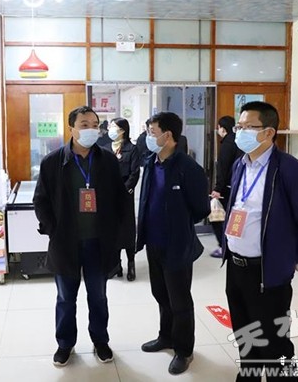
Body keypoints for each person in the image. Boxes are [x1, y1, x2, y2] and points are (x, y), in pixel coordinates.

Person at [222, 101, 298, 381]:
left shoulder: (289, 169)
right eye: (238, 127)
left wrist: (294, 255)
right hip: (236, 265)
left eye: (247, 127)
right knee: (245, 331)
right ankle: (249, 374)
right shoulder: (240, 164)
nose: (240, 132)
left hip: (268, 269)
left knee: (275, 340)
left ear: (268, 132)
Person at [33, 106, 126, 367]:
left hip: (99, 243)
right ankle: (65, 344)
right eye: (84, 125)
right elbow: (40, 200)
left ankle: (100, 341)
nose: (90, 130)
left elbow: (119, 199)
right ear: (71, 128)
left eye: (94, 125)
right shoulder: (52, 162)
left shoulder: (108, 160)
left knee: (98, 297)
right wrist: (53, 230)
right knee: (65, 298)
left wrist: (118, 234)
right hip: (66, 243)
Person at [137, 112, 210, 375]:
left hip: (177, 245)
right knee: (161, 294)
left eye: (152, 132)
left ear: (168, 136)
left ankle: (184, 350)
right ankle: (165, 336)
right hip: (153, 242)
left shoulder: (188, 168)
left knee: (180, 301)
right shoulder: (151, 163)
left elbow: (201, 208)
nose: (148, 137)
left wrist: (178, 222)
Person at [103, 117, 141, 281]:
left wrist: (123, 190)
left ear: (122, 130)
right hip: (108, 196)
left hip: (125, 195)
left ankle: (131, 263)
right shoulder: (105, 148)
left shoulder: (132, 149)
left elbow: (134, 173)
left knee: (127, 230)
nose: (110, 130)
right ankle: (116, 265)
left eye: (113, 127)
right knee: (112, 230)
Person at [210, 115, 242, 258]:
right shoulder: (238, 142)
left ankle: (224, 246)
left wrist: (217, 189)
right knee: (235, 218)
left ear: (222, 129)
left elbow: (223, 169)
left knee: (217, 218)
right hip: (239, 186)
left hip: (227, 188)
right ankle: (233, 246)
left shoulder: (227, 145)